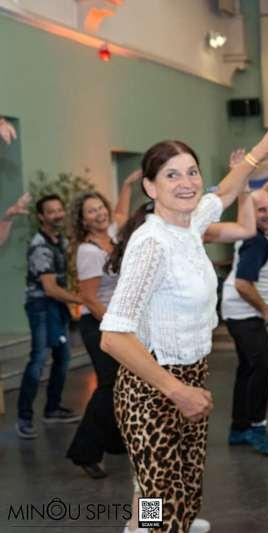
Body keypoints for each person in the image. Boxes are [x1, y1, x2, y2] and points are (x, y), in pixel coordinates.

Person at [100, 114, 268, 533]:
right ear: (150, 188)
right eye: (172, 175)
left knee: (180, 484)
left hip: (191, 373)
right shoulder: (151, 244)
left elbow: (224, 190)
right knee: (161, 498)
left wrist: (262, 149)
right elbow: (113, 336)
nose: (187, 182)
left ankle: (139, 527)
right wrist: (177, 391)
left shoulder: (190, 223)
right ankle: (148, 528)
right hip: (153, 386)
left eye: (192, 172)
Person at [65, 170, 142, 478]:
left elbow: (121, 212)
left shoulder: (111, 233)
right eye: (91, 211)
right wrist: (115, 326)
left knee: (121, 384)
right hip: (98, 323)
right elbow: (89, 298)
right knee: (110, 385)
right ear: (83, 221)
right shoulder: (88, 251)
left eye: (100, 207)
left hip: (114, 320)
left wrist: (126, 184)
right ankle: (84, 451)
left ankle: (114, 441)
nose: (99, 214)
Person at [221, 189, 268, 457]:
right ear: (251, 213)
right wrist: (265, 310)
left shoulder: (264, 232)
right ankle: (256, 428)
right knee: (263, 365)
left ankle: (239, 427)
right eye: (261, 210)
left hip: (242, 312)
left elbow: (264, 191)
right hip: (244, 313)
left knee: (248, 367)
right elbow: (243, 284)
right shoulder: (256, 241)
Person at [16, 194, 84, 439]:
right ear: (41, 217)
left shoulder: (60, 240)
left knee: (63, 357)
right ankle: (24, 418)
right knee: (38, 359)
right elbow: (50, 288)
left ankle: (52, 409)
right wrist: (83, 300)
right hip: (41, 306)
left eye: (59, 210)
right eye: (51, 211)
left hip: (57, 305)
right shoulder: (40, 247)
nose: (57, 215)